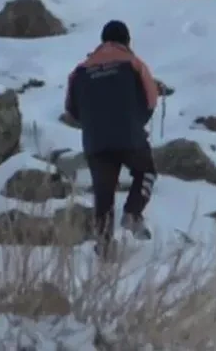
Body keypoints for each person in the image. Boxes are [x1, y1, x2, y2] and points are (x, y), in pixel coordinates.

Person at [64, 20, 160, 256]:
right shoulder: (133, 64)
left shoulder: (80, 71)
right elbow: (151, 99)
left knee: (103, 194)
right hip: (129, 135)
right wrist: (136, 121)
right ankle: (133, 213)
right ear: (127, 41)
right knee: (146, 171)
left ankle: (105, 246)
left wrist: (93, 124)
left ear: (102, 41)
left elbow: (71, 109)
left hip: (95, 141)